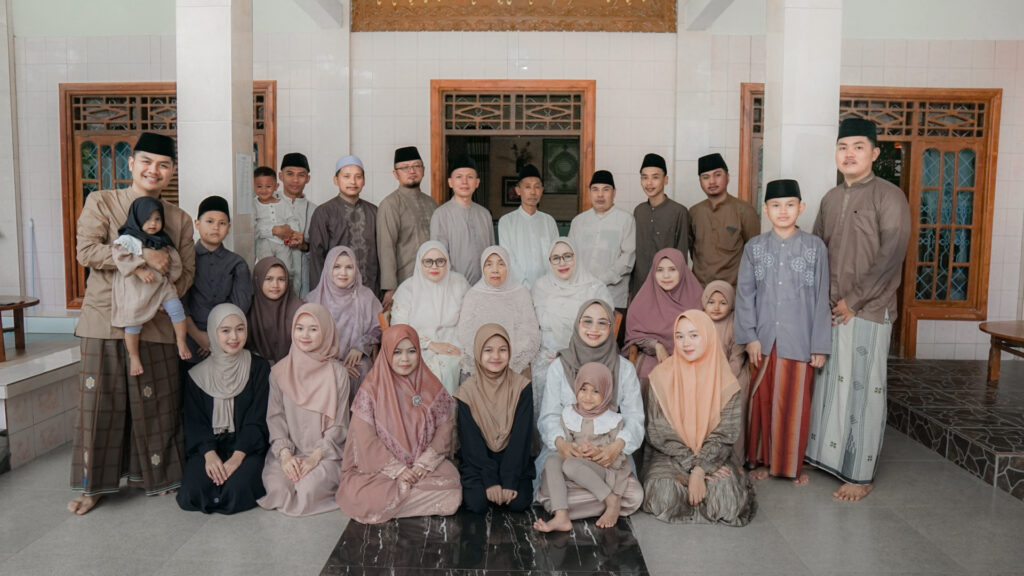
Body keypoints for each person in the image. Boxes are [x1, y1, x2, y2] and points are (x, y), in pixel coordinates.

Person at [70, 132, 195, 515]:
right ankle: (93, 487)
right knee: (100, 405)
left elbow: (187, 272)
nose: (154, 170)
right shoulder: (102, 201)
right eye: (146, 161)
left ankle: (157, 477)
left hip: (156, 322)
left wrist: (160, 293)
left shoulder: (178, 218)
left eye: (163, 164)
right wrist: (142, 255)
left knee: (157, 403)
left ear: (172, 170)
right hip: (105, 319)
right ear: (131, 163)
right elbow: (86, 251)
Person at [806, 118, 911, 502]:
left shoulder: (889, 196)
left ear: (875, 153)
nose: (849, 154)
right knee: (831, 386)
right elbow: (817, 249)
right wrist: (822, 300)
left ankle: (860, 474)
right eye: (843, 147)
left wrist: (855, 301)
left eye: (858, 147)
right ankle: (826, 458)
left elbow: (891, 255)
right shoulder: (831, 198)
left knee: (864, 390)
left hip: (868, 310)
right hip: (833, 309)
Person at [735, 179, 831, 484]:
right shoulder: (754, 248)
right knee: (763, 401)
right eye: (776, 205)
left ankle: (790, 466)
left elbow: (822, 297)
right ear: (765, 210)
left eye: (790, 204)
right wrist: (750, 336)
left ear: (801, 207)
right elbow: (744, 295)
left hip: (799, 339)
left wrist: (819, 345)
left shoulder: (815, 247)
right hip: (764, 340)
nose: (783, 211)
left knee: (794, 403)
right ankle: (763, 461)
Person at [336, 324, 462, 523]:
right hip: (381, 471)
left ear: (419, 352)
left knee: (453, 489)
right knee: (361, 496)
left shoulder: (430, 383)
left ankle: (396, 503)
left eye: (411, 351)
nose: (405, 359)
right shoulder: (371, 388)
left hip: (420, 468)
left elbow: (445, 427)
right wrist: (399, 470)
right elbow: (365, 438)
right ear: (386, 353)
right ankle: (404, 499)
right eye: (397, 352)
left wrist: (424, 463)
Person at [642, 311, 755, 526]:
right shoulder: (660, 377)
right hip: (671, 455)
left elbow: (725, 434)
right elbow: (658, 431)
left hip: (713, 456)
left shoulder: (726, 382)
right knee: (663, 493)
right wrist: (692, 466)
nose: (686, 343)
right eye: (680, 336)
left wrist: (701, 468)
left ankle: (696, 492)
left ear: (708, 336)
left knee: (727, 498)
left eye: (694, 335)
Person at [535, 300, 644, 516]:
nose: (594, 329)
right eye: (587, 321)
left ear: (610, 327)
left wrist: (615, 448)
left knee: (635, 496)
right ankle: (607, 500)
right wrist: (562, 444)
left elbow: (635, 418)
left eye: (602, 323)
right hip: (569, 449)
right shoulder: (560, 366)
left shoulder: (624, 369)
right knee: (553, 476)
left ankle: (567, 505)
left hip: (606, 453)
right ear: (578, 324)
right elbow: (549, 415)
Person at [259, 304, 351, 516]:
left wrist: (314, 457)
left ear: (326, 331)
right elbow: (275, 418)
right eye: (299, 328)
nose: (305, 335)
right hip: (289, 452)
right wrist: (285, 456)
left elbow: (340, 424)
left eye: (313, 329)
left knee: (306, 491)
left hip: (327, 454)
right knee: (278, 490)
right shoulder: (279, 372)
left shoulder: (337, 373)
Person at [177, 304, 270, 514]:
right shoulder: (197, 375)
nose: (234, 337)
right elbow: (194, 421)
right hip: (210, 447)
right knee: (192, 493)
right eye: (225, 330)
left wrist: (238, 457)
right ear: (212, 332)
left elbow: (258, 417)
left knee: (236, 492)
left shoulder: (259, 368)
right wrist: (209, 454)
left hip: (247, 448)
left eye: (240, 329)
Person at [535, 362, 640, 531]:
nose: (588, 396)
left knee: (568, 469)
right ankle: (562, 515)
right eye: (583, 389)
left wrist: (598, 453)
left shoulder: (613, 420)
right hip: (576, 468)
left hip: (602, 470)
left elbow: (619, 459)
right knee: (552, 461)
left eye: (596, 391)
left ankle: (611, 499)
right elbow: (566, 446)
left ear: (606, 392)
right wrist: (574, 450)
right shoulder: (569, 415)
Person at [454, 324, 534, 514]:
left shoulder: (522, 386)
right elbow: (471, 442)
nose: (496, 356)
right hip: (479, 463)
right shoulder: (467, 391)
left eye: (502, 350)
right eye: (488, 350)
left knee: (518, 502)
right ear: (478, 352)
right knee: (477, 503)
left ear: (510, 352)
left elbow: (521, 436)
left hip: (514, 460)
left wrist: (509, 480)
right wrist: (490, 481)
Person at [110, 196, 191, 376]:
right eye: (147, 219)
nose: (153, 223)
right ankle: (133, 356)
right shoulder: (128, 240)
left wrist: (171, 278)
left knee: (177, 309)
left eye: (157, 218)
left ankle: (181, 341)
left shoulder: (162, 239)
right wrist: (138, 270)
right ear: (137, 218)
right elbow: (120, 257)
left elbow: (174, 261)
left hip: (161, 285)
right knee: (132, 322)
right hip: (137, 288)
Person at [530, 239, 613, 408]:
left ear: (576, 257)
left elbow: (603, 331)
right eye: (556, 258)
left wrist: (569, 356)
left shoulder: (595, 288)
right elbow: (532, 327)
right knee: (545, 379)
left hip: (585, 356)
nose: (562, 263)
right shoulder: (540, 287)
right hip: (547, 356)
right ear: (550, 261)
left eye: (567, 256)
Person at [391, 241, 470, 394]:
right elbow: (398, 330)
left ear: (447, 262)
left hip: (454, 345)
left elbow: (469, 320)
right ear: (419, 263)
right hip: (417, 347)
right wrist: (430, 345)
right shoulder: (407, 289)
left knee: (449, 366)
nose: (434, 267)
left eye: (440, 261)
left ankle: (448, 410)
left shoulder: (459, 283)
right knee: (431, 371)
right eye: (428, 262)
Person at [182, 195, 252, 363]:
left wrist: (217, 338)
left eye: (222, 223)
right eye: (210, 221)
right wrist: (198, 336)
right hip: (191, 339)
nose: (216, 227)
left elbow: (240, 305)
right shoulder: (185, 259)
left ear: (228, 227)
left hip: (228, 340)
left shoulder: (237, 263)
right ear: (197, 224)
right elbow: (180, 303)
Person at [306, 246, 383, 395]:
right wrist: (335, 366)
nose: (343, 273)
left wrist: (360, 345)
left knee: (362, 369)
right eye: (337, 267)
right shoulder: (314, 300)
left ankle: (359, 411)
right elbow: (306, 341)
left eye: (349, 267)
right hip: (322, 362)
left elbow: (380, 327)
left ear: (356, 270)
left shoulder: (366, 296)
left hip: (354, 360)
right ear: (328, 268)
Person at [456, 246, 542, 377]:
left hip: (515, 364)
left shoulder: (521, 293)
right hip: (481, 364)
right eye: (489, 264)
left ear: (508, 266)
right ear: (482, 268)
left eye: (501, 264)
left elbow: (529, 332)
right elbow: (465, 333)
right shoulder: (473, 295)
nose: (495, 270)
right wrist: (487, 359)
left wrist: (508, 359)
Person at [624, 248, 703, 381]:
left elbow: (705, 336)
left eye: (672, 269)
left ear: (682, 270)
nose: (666, 276)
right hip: (653, 356)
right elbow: (635, 337)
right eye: (660, 270)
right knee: (649, 373)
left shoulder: (696, 297)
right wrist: (656, 346)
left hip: (691, 355)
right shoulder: (643, 300)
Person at [377, 146, 437, 311]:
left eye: (416, 166)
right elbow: (386, 247)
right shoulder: (390, 204)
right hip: (404, 283)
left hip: (433, 280)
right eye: (405, 167)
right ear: (395, 174)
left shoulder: (431, 203)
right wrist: (390, 288)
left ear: (423, 170)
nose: (412, 171)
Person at [308, 155, 379, 295]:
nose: (353, 181)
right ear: (336, 180)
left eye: (358, 177)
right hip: (335, 293)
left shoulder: (374, 212)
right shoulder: (323, 212)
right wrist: (319, 293)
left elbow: (382, 255)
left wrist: (385, 289)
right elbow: (317, 257)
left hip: (371, 291)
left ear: (364, 181)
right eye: (346, 176)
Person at [688, 154, 761, 286]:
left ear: (727, 177)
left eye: (717, 175)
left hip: (733, 290)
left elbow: (755, 254)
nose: (712, 182)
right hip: (699, 289)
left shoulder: (745, 211)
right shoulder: (694, 212)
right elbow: (693, 251)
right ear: (700, 181)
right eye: (705, 177)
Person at [568, 170, 636, 311]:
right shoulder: (578, 222)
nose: (600, 195)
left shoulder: (626, 220)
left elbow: (628, 258)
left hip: (613, 296)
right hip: (581, 293)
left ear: (614, 193)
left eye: (606, 189)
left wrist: (601, 280)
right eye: (595, 189)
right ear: (589, 192)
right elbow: (570, 256)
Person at [701, 280, 750, 464]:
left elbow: (737, 358)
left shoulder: (736, 323)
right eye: (711, 302)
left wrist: (722, 381)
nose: (716, 307)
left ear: (731, 304)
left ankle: (734, 459)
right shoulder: (699, 321)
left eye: (723, 303)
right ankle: (704, 455)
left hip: (732, 375)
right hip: (704, 373)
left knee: (734, 400)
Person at [631, 153, 691, 299]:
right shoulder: (639, 211)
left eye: (655, 177)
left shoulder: (679, 211)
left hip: (667, 287)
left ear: (666, 180)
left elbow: (681, 255)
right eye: (644, 177)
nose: (649, 183)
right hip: (640, 287)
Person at [430, 154, 494, 285]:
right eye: (459, 177)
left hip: (483, 288)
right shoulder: (441, 215)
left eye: (470, 177)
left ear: (477, 182)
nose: (464, 182)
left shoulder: (484, 214)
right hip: (452, 287)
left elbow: (492, 254)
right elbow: (438, 258)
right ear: (450, 182)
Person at [497, 164, 559, 288]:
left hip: (548, 288)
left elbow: (556, 256)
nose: (533, 192)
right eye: (527, 187)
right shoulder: (506, 222)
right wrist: (525, 286)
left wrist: (548, 285)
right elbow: (508, 258)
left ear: (542, 190)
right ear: (518, 190)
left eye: (537, 187)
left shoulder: (549, 221)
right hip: (517, 288)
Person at [253, 165, 303, 290]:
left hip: (283, 243)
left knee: (287, 269)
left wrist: (292, 233)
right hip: (265, 243)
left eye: (268, 186)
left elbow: (292, 219)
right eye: (259, 186)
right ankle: (265, 294)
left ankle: (287, 293)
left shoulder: (283, 203)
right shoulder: (253, 205)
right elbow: (255, 229)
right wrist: (273, 230)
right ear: (253, 186)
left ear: (276, 186)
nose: (264, 190)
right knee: (265, 269)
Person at [246, 257, 304, 364]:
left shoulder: (300, 309)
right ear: (258, 279)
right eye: (268, 279)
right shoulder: (248, 310)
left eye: (281, 279)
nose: (275, 285)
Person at [278, 152, 318, 296]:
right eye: (290, 174)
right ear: (281, 176)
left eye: (301, 175)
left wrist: (304, 245)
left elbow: (320, 251)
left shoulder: (315, 211)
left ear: (308, 179)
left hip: (304, 284)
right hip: (272, 282)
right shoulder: (265, 205)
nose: (295, 180)